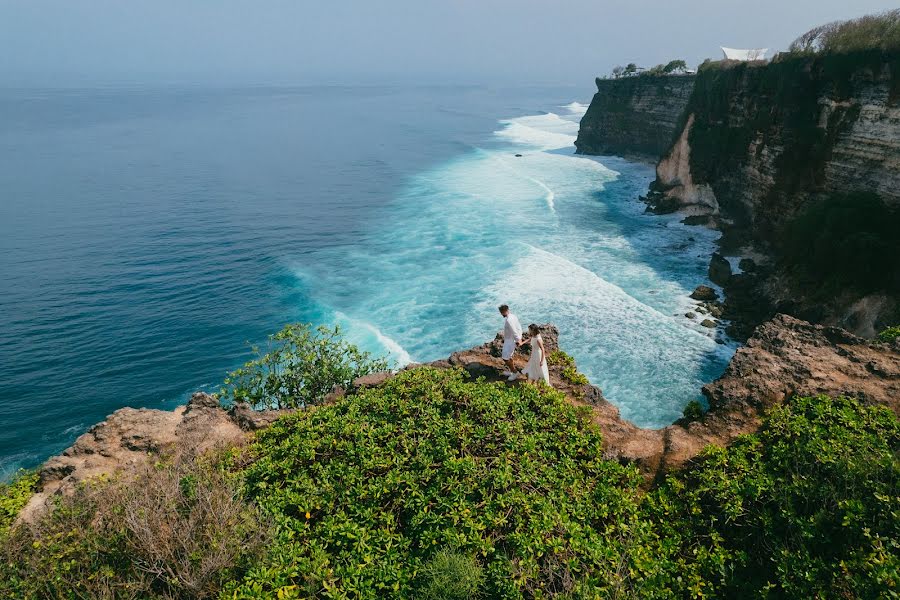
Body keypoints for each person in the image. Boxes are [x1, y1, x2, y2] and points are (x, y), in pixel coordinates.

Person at [498, 304, 522, 381]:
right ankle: (512, 371)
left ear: (503, 312)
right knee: (509, 356)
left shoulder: (509, 320)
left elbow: (514, 331)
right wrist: (519, 337)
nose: (501, 314)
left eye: (501, 313)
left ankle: (515, 373)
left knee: (505, 358)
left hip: (510, 341)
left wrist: (518, 340)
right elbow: (519, 327)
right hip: (510, 340)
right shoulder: (513, 316)